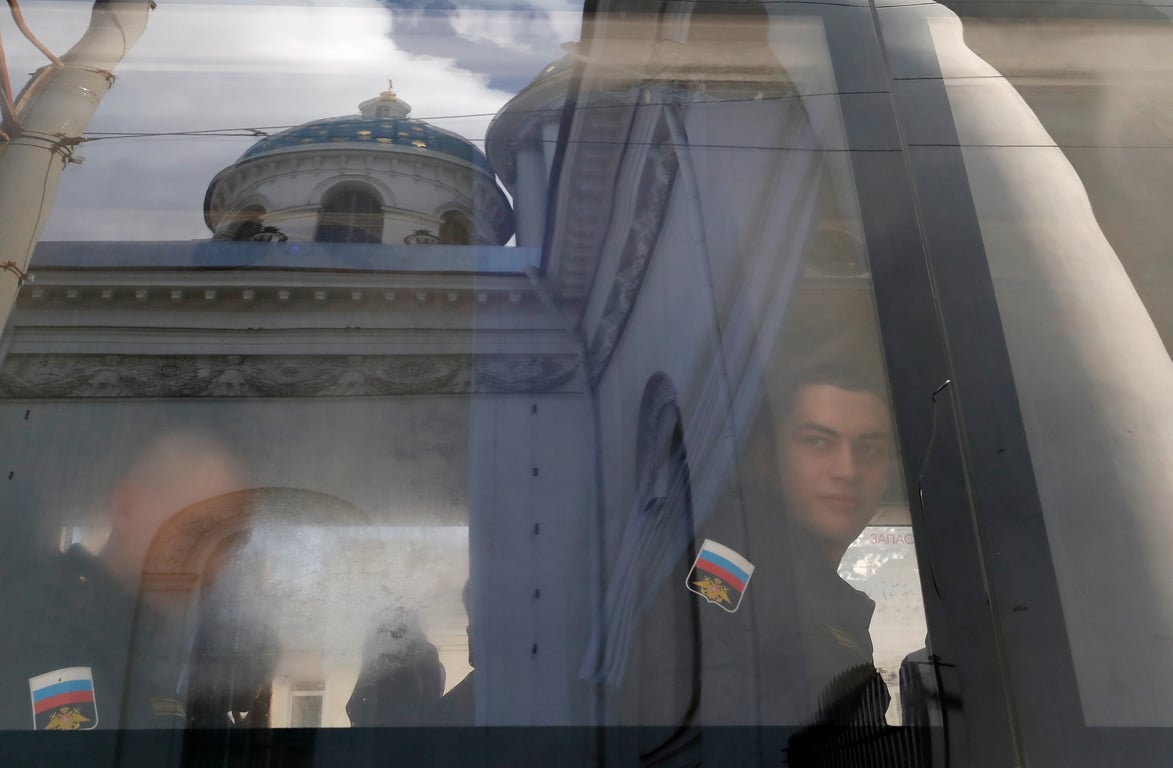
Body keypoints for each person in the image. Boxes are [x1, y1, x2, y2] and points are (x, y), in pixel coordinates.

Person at [622, 363, 895, 728]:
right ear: (767, 458)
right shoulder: (730, 555)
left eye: (870, 450)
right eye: (818, 442)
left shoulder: (826, 596)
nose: (847, 469)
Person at [0, 428, 248, 730]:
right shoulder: (44, 624)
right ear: (128, 508)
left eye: (229, 544)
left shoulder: (159, 634)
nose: (216, 564)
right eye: (199, 533)